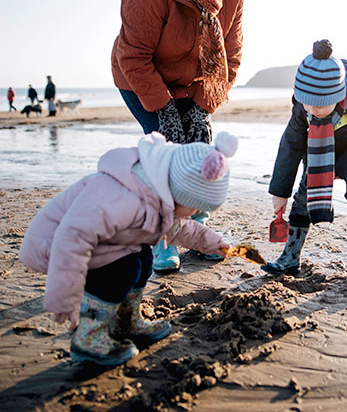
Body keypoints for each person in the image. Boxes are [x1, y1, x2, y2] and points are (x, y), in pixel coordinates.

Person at [19, 130, 237, 366]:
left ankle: (125, 321)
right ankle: (88, 337)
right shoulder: (121, 198)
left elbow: (179, 229)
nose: (196, 213)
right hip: (54, 247)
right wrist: (64, 299)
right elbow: (72, 239)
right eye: (195, 207)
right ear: (177, 191)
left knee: (143, 258)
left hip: (91, 245)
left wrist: (214, 243)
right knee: (122, 268)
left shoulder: (156, 193)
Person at [111, 0, 243, 272]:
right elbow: (133, 56)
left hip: (197, 83)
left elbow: (231, 57)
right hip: (141, 78)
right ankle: (164, 239)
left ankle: (196, 231)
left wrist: (202, 108)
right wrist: (165, 112)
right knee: (165, 157)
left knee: (199, 153)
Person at [261, 40, 347, 283]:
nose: (313, 109)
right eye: (306, 102)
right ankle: (290, 256)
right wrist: (279, 191)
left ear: (339, 94)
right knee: (302, 199)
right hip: (318, 152)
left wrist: (345, 169)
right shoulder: (303, 108)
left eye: (320, 104)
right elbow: (290, 145)